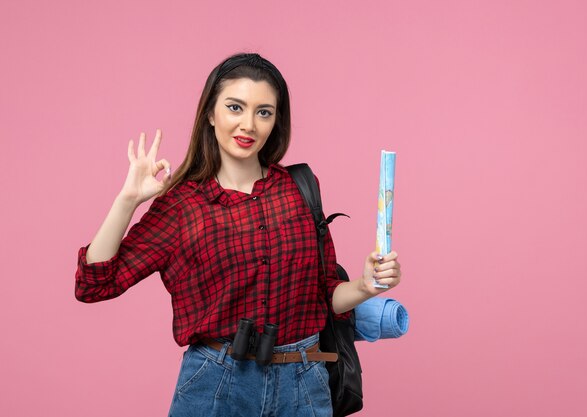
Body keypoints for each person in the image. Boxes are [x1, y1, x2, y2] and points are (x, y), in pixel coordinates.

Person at [74, 52, 402, 417]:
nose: (249, 124)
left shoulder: (299, 188)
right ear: (211, 114)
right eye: (235, 107)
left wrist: (366, 285)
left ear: (276, 121)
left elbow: (324, 296)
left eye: (264, 112)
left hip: (304, 383)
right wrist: (128, 200)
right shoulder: (183, 205)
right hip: (216, 383)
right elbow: (94, 284)